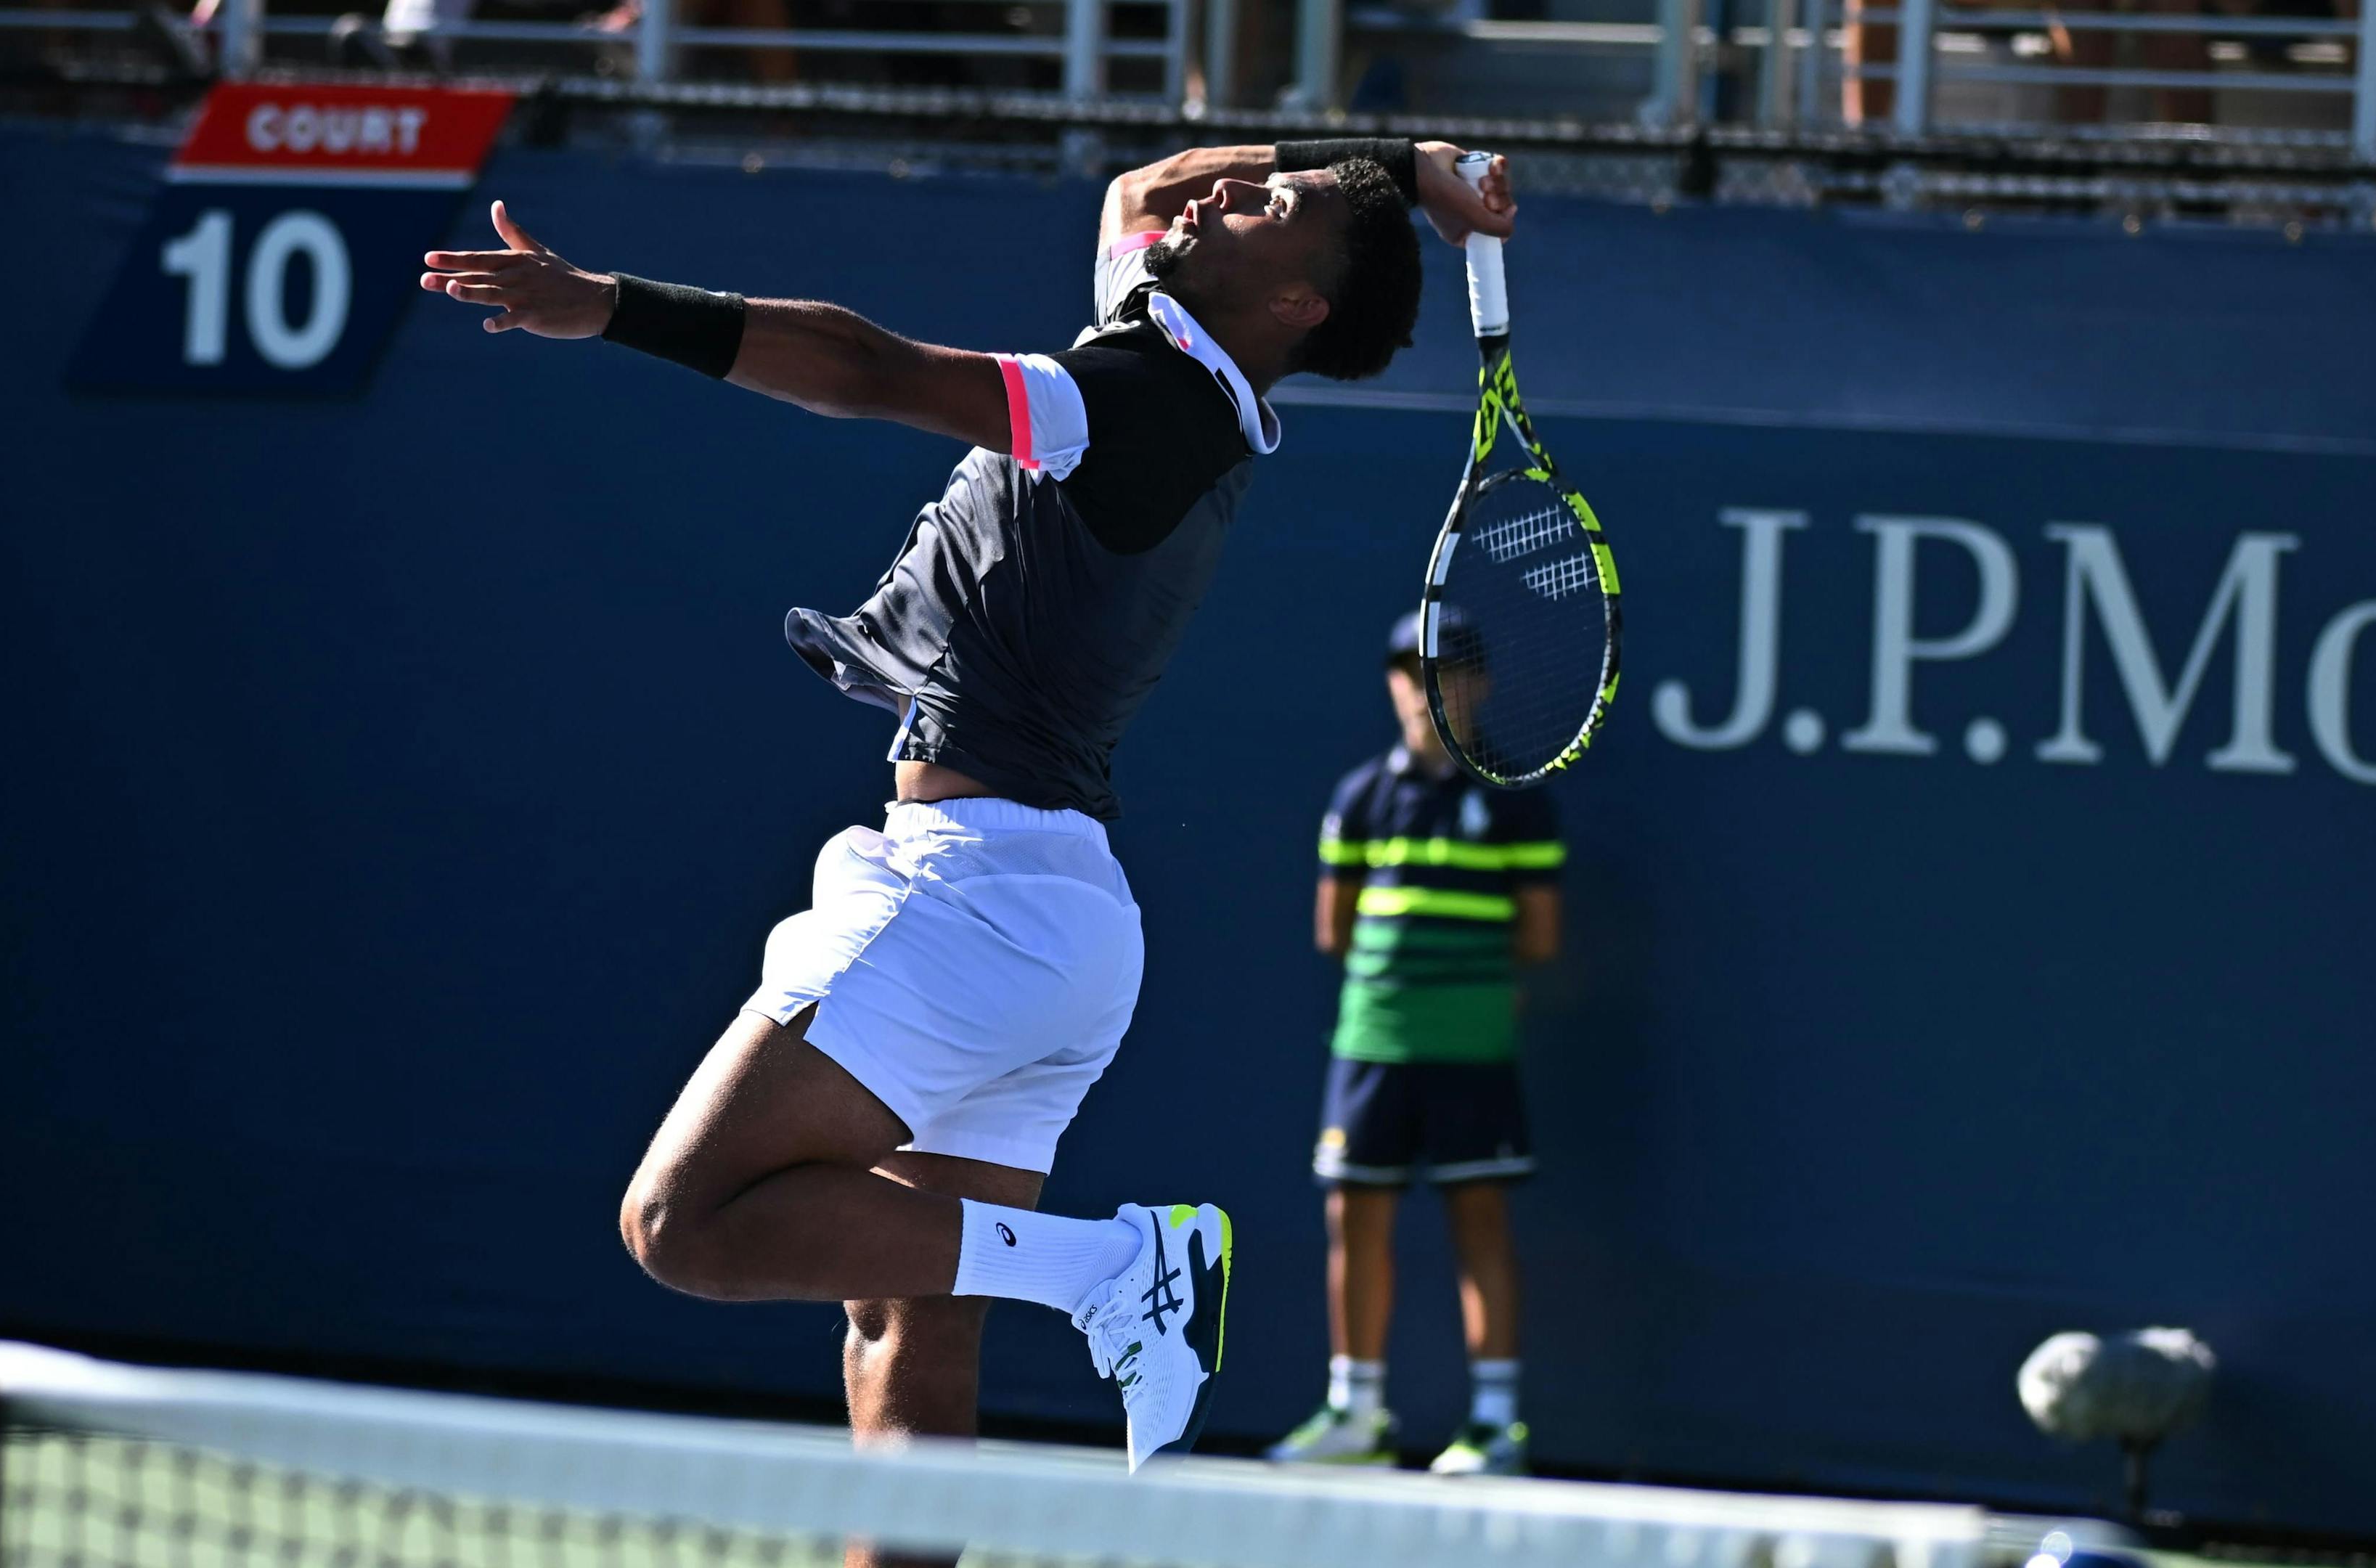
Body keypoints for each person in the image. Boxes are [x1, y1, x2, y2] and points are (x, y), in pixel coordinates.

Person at [416, 138, 1514, 1543]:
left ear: (1298, 301)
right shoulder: (1176, 352)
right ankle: (1083, 1294)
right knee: (907, 1322)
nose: (1220, 192)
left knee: (683, 1227)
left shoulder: (1135, 402)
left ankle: (1118, 1266)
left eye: (1267, 206)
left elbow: (867, 369)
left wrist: (611, 305)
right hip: (1057, 926)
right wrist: (1395, 163)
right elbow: (1138, 190)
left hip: (970, 908)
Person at [1265, 610, 1561, 1477]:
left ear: (1480, 684)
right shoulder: (1361, 796)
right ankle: (1357, 1415)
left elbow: (1540, 938)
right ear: (1395, 684)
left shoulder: (1518, 798)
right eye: (1412, 670)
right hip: (1372, 1046)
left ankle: (1496, 1424)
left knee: (1480, 1219)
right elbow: (1335, 930)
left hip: (1471, 1050)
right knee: (1352, 1216)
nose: (1429, 688)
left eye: (1450, 669)